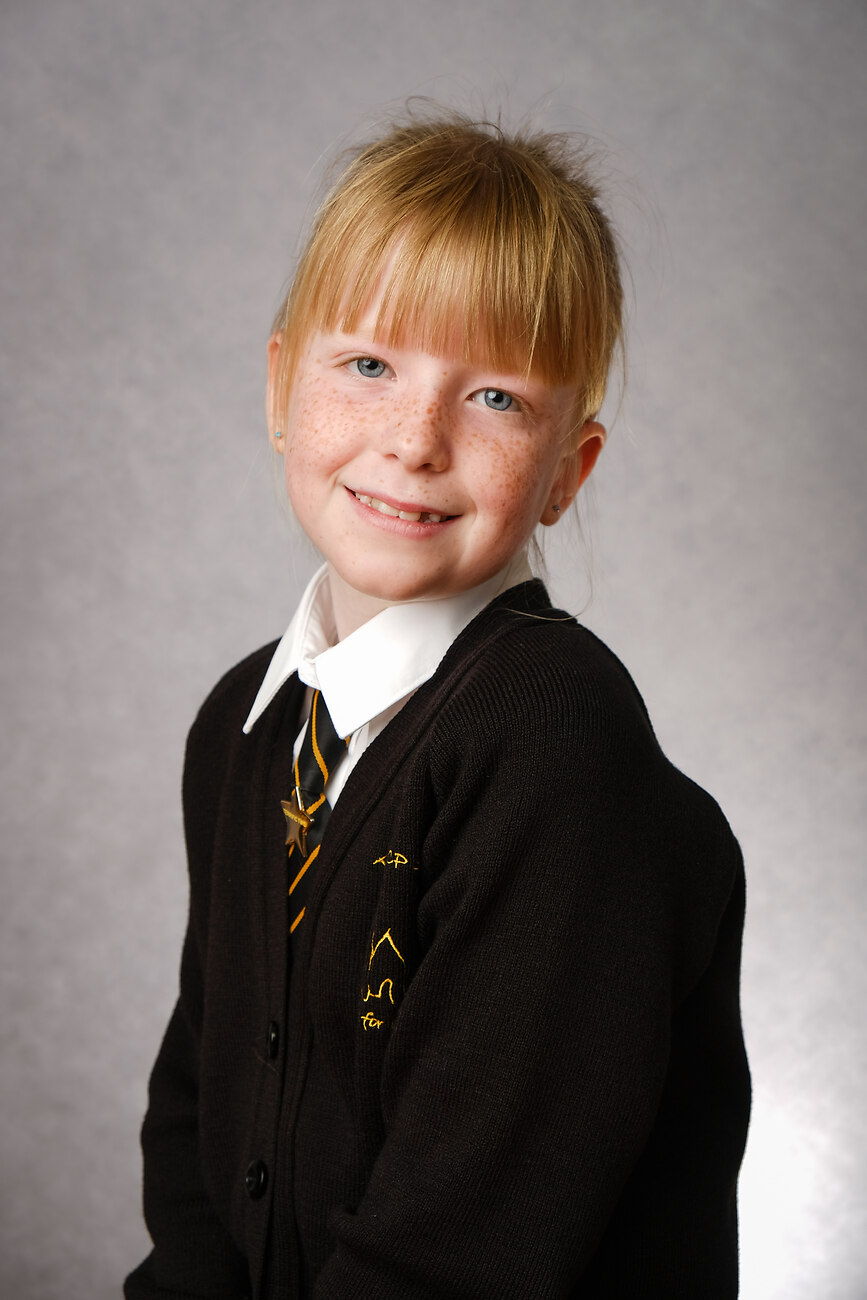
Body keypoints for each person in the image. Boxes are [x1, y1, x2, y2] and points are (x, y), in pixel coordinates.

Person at [124, 107, 750, 1300]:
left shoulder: (555, 745)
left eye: (497, 398)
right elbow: (199, 1118)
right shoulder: (244, 728)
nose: (414, 440)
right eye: (369, 365)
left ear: (569, 469)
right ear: (280, 385)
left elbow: (465, 1247)